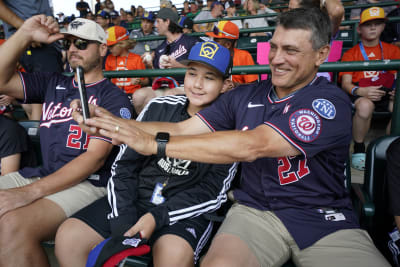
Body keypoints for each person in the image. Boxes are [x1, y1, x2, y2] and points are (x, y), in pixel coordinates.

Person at [73, 8, 391, 267]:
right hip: (254, 214)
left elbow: (255, 145)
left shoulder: (329, 101)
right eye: (275, 47)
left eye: (291, 50)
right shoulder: (245, 95)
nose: (277, 59)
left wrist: (155, 144)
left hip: (323, 219)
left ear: (321, 54)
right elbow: (184, 128)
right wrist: (109, 122)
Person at [56, 40, 236, 267]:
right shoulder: (159, 106)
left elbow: (211, 192)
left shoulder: (231, 125)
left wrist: (156, 217)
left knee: (173, 255)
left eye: (209, 77)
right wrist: (124, 218)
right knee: (69, 236)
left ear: (225, 85)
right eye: (192, 74)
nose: (198, 84)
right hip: (137, 198)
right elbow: (125, 165)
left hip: (183, 212)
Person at [0, 16, 133, 267]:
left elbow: (95, 159)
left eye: (82, 43)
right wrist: (25, 33)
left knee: (13, 224)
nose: (73, 49)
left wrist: (27, 194)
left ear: (103, 49)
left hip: (90, 184)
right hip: (45, 173)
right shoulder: (54, 82)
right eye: (69, 43)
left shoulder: (114, 98)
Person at [339, 7, 400, 171]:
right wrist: (361, 92)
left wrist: (396, 91)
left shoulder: (393, 50)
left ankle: (390, 147)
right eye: (368, 24)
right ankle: (359, 149)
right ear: (359, 29)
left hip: (386, 91)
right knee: (365, 106)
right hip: (361, 92)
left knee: (397, 106)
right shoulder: (351, 53)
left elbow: (396, 78)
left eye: (378, 23)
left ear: (383, 27)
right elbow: (346, 84)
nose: (373, 28)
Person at [132, 8, 200, 114]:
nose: (155, 25)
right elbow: (156, 79)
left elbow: (201, 70)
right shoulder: (160, 48)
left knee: (170, 95)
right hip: (163, 87)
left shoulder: (191, 42)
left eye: (158, 21)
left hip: (185, 87)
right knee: (138, 96)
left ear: (167, 22)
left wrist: (178, 66)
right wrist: (150, 66)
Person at [206, 20, 258, 85]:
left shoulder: (244, 56)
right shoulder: (210, 55)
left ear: (228, 44)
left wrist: (233, 85)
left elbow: (253, 86)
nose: (213, 43)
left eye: (217, 41)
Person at [105, 26, 149, 96]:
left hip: (133, 95)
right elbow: (107, 80)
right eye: (108, 46)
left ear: (122, 44)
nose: (109, 49)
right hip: (115, 95)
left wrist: (139, 81)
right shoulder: (109, 58)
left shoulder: (137, 58)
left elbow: (146, 81)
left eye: (111, 46)